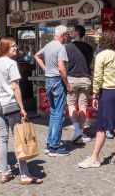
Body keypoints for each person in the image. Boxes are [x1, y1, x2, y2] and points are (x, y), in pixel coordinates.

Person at [78, 31, 115, 169]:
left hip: (108, 93)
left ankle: (94, 158)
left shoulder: (101, 55)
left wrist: (95, 94)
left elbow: (97, 77)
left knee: (101, 126)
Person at [0, 37, 43, 185]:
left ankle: (5, 172)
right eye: (12, 46)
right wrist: (22, 108)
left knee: (3, 139)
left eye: (15, 46)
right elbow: (15, 87)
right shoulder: (11, 64)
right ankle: (24, 174)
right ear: (5, 48)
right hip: (10, 105)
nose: (15, 48)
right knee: (19, 139)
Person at [34, 25, 71, 156]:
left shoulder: (49, 45)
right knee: (59, 113)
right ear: (63, 35)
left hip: (49, 80)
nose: (68, 37)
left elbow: (37, 55)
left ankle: (50, 143)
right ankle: (54, 146)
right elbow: (61, 68)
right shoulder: (61, 48)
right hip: (57, 80)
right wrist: (67, 83)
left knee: (54, 112)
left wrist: (46, 69)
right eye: (67, 35)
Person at [65, 25, 94, 143]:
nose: (71, 33)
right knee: (83, 106)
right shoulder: (89, 47)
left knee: (71, 104)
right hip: (86, 79)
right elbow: (90, 64)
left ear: (77, 33)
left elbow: (64, 64)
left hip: (72, 79)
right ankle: (80, 133)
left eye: (73, 31)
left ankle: (77, 130)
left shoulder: (67, 47)